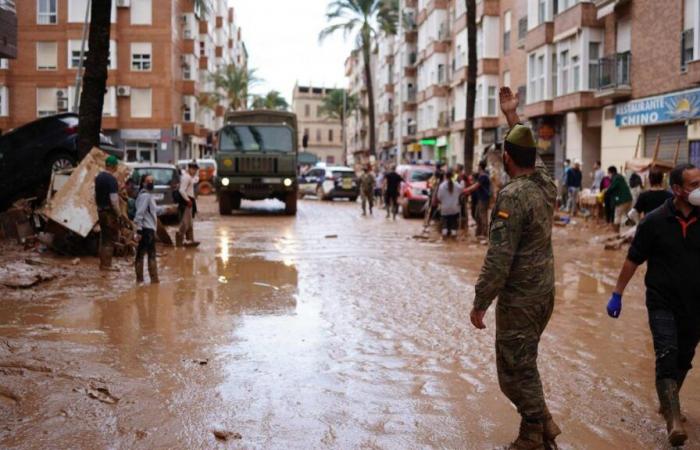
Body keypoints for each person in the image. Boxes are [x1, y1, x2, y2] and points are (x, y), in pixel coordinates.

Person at [470, 87, 560, 449]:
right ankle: (537, 430)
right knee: (526, 364)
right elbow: (531, 156)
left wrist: (480, 302)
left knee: (512, 372)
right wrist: (513, 116)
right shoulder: (546, 184)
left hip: (521, 299)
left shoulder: (512, 195)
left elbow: (499, 258)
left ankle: (538, 430)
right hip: (544, 295)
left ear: (506, 157)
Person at [606, 163, 700, 446]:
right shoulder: (654, 222)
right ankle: (673, 419)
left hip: (696, 304)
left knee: (684, 356)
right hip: (662, 301)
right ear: (677, 190)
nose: (698, 189)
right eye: (693, 185)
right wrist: (617, 293)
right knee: (666, 353)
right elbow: (633, 259)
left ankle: (668, 399)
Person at [134, 174, 164, 284]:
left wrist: (167, 209)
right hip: (145, 229)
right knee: (142, 256)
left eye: (152, 180)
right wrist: (139, 230)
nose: (151, 182)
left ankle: (151, 280)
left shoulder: (148, 195)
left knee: (149, 255)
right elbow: (139, 214)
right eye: (148, 181)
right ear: (142, 183)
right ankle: (143, 280)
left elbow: (154, 210)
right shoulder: (145, 196)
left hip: (150, 229)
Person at [95, 155, 122, 271]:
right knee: (109, 240)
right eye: (116, 165)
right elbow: (114, 200)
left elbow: (95, 195)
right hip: (108, 212)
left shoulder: (98, 177)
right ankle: (106, 266)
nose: (117, 168)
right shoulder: (111, 180)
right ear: (113, 166)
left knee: (103, 238)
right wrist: (119, 214)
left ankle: (102, 264)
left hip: (100, 210)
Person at [463, 161, 491, 238]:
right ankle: (479, 232)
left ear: (480, 166)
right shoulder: (482, 175)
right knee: (477, 215)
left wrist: (466, 190)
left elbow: (476, 186)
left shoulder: (483, 176)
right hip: (481, 198)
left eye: (478, 166)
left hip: (484, 198)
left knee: (482, 216)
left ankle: (485, 234)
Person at [177, 162, 200, 247]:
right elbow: (181, 190)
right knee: (185, 223)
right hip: (187, 202)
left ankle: (190, 241)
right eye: (193, 169)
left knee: (190, 223)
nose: (194, 171)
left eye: (195, 170)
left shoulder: (189, 177)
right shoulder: (186, 177)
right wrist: (188, 200)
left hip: (190, 201)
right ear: (189, 169)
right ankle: (179, 243)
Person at [436, 168, 464, 238]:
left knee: (445, 222)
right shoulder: (457, 185)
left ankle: (444, 233)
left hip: (445, 208)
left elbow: (439, 197)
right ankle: (453, 234)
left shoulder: (442, 186)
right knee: (453, 222)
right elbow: (462, 190)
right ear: (452, 176)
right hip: (454, 208)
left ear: (445, 176)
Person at [604, 166, 633, 233]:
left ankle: (616, 233)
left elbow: (611, 188)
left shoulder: (616, 178)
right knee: (628, 216)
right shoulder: (620, 177)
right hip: (628, 199)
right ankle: (631, 232)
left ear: (611, 172)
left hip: (622, 200)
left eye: (608, 173)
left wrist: (606, 191)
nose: (608, 175)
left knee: (617, 216)